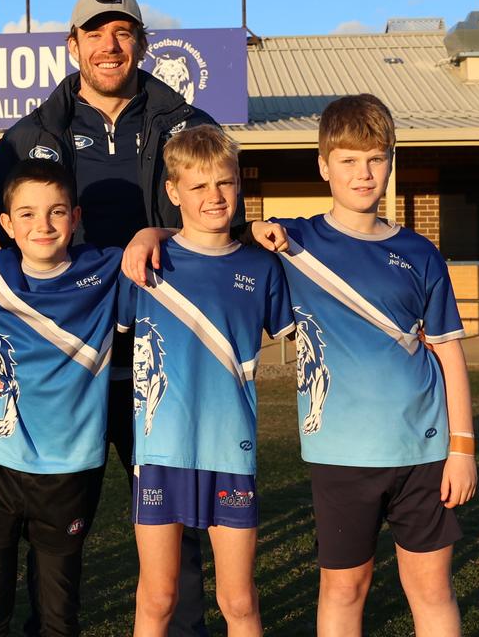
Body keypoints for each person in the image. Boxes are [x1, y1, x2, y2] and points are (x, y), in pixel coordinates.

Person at [0, 0, 225, 637]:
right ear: (73, 45)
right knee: (55, 533)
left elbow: (218, 226)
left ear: (143, 44)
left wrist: (161, 234)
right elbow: (12, 267)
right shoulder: (27, 139)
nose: (109, 45)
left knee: (176, 527)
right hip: (69, 373)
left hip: (165, 364)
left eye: (122, 32)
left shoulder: (192, 126)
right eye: (95, 32)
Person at [267, 95, 476, 636]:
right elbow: (211, 234)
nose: (363, 173)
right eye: (348, 160)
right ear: (323, 165)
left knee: (430, 590)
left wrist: (462, 449)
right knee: (344, 588)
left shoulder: (421, 253)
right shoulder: (295, 242)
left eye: (375, 159)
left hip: (423, 450)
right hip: (340, 453)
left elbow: (449, 352)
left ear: (390, 162)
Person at [0, 159, 130, 636]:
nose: (42, 225)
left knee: (58, 617)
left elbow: (191, 246)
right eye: (26, 214)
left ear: (77, 215)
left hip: (69, 468)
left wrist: (154, 234)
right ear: (6, 224)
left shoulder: (108, 268)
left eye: (56, 211)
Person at [125, 126, 293, 636]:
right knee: (158, 598)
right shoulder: (145, 264)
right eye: (198, 187)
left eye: (225, 182)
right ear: (173, 192)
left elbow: (309, 331)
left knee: (238, 601)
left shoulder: (261, 267)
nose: (214, 196)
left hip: (230, 452)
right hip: (160, 452)